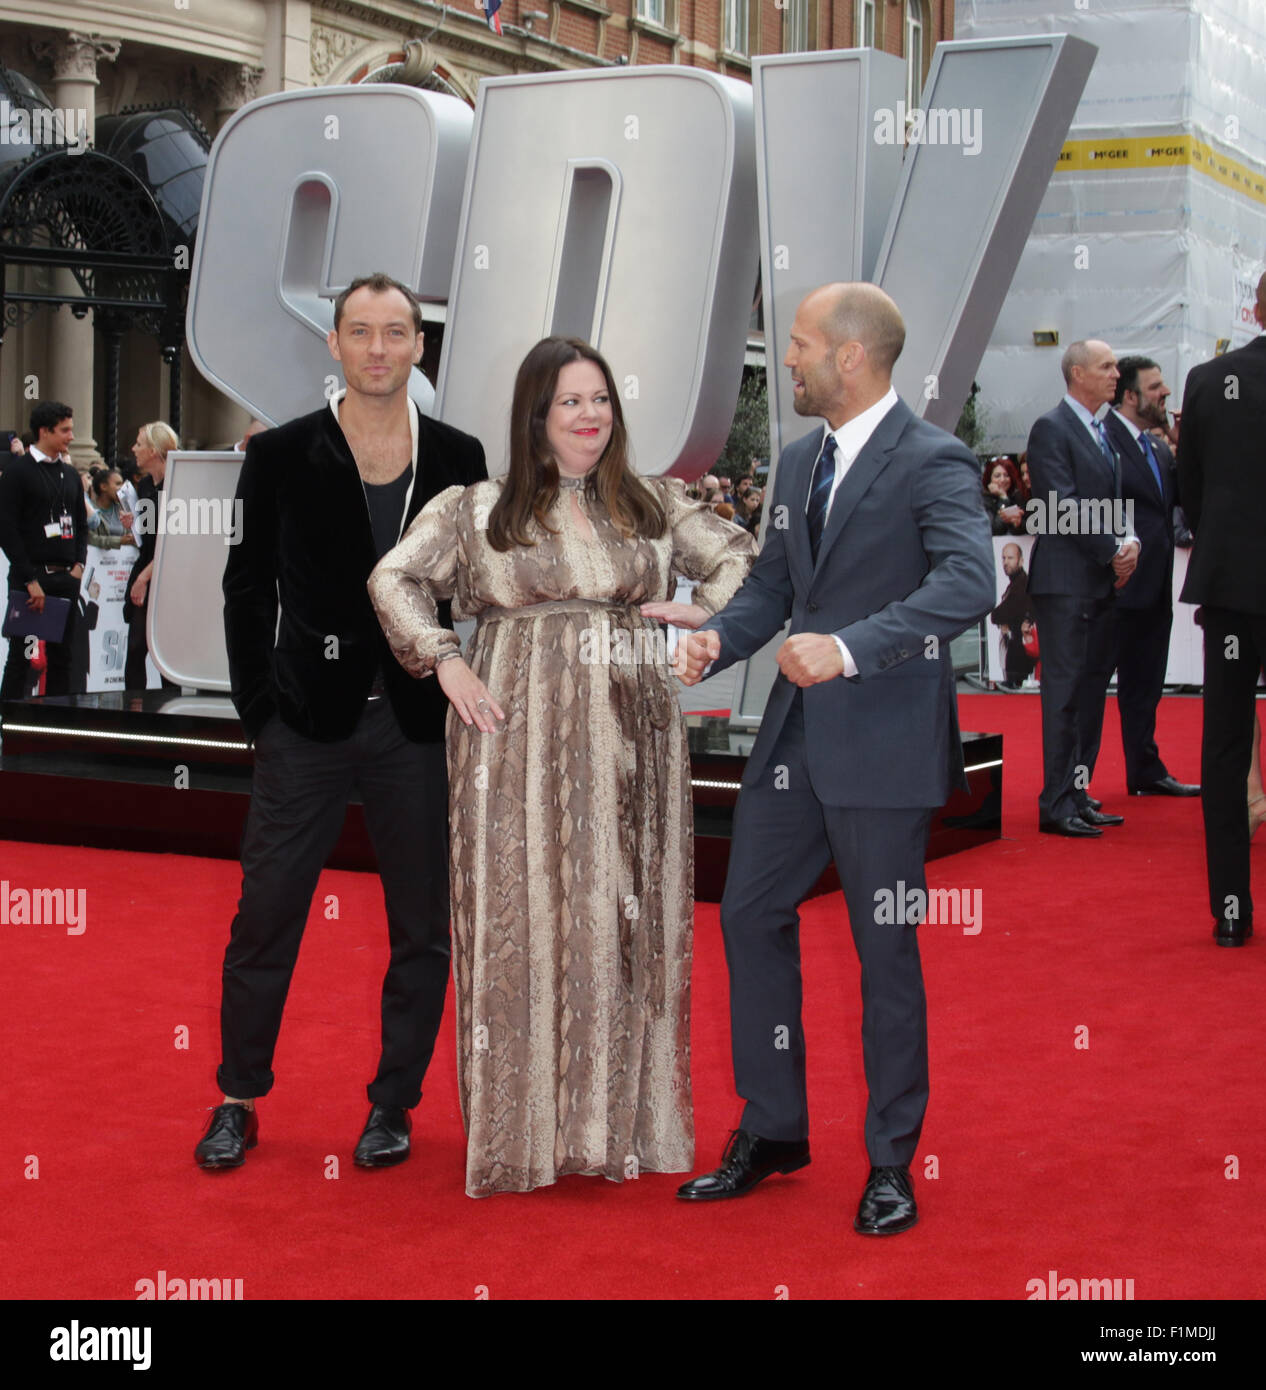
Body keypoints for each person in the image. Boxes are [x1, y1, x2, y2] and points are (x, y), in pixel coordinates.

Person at [368, 334, 756, 1197]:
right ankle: (524, 1134)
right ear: (536, 417)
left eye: (601, 400)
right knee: (523, 911)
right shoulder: (477, 506)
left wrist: (704, 626)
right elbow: (392, 579)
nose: (590, 417)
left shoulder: (654, 501)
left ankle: (618, 1126)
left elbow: (738, 557)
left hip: (633, 730)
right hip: (513, 731)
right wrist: (446, 658)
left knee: (625, 914)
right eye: (570, 402)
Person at [674, 283, 994, 1235]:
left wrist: (852, 647)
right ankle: (774, 1128)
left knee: (883, 952)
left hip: (885, 746)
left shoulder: (933, 460)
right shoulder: (802, 459)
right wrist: (714, 643)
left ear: (851, 356)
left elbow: (969, 580)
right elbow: (773, 588)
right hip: (793, 742)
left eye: (804, 346)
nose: (792, 362)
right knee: (747, 916)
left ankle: (891, 1161)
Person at [196, 272, 487, 1169]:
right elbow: (246, 591)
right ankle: (237, 1099)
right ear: (334, 345)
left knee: (422, 927)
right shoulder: (280, 453)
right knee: (266, 913)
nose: (376, 349)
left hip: (415, 728)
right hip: (305, 726)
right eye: (358, 332)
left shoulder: (458, 455)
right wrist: (260, 714)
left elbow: (479, 589)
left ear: (418, 347)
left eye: (394, 332)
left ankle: (393, 1104)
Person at [1177, 271, 1266, 947]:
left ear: (1257, 308)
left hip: (1233, 592)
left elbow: (1193, 493)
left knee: (1225, 746)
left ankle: (1231, 912)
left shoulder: (1209, 382)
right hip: (1234, 584)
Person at [1026, 339, 1140, 837]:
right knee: (1065, 693)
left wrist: (1128, 539)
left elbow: (1111, 500)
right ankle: (1055, 802)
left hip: (1096, 584)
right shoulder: (1052, 428)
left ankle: (1075, 791)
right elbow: (1060, 504)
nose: (1118, 374)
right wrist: (1113, 550)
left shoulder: (1102, 431)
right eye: (1107, 366)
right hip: (1065, 583)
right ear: (1077, 373)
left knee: (1090, 694)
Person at [1103, 356, 1198, 797]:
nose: (1166, 393)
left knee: (1146, 686)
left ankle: (1145, 769)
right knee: (1088, 693)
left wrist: (1186, 444)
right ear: (1130, 395)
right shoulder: (1103, 441)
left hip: (1156, 588)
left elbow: (1185, 498)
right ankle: (1071, 785)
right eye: (1156, 386)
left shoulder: (1159, 447)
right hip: (1113, 588)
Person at [0, 401, 87, 700]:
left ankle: (57, 729)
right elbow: (7, 529)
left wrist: (79, 566)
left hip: (66, 579)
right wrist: (29, 579)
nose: (71, 437)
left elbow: (81, 524)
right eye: (65, 430)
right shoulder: (18, 473)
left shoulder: (71, 475)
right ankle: (8, 729)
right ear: (44, 431)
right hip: (31, 579)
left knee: (63, 660)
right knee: (20, 660)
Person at [124, 422, 179, 691]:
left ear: (155, 450)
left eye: (139, 444)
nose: (134, 449)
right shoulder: (145, 485)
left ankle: (171, 716)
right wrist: (133, 524)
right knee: (135, 648)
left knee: (166, 651)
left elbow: (175, 542)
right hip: (145, 569)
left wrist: (144, 578)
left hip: (167, 577)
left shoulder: (178, 484)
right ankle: (134, 714)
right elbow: (147, 536)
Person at [990, 541, 1036, 688]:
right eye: (1004, 558)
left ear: (1021, 560)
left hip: (1020, 658)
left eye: (1010, 558)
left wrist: (1000, 617)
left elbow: (998, 615)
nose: (1006, 562)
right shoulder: (1016, 583)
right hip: (1016, 656)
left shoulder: (1021, 584)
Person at [86, 467, 138, 551]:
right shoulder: (90, 511)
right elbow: (91, 539)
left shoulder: (123, 509)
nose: (122, 488)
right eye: (118, 484)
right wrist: (119, 541)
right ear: (103, 486)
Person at [982, 457, 1025, 535]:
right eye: (997, 476)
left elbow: (1019, 530)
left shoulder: (1018, 497)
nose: (1002, 480)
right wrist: (1003, 498)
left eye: (1006, 475)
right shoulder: (984, 500)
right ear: (989, 479)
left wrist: (1018, 524)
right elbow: (996, 529)